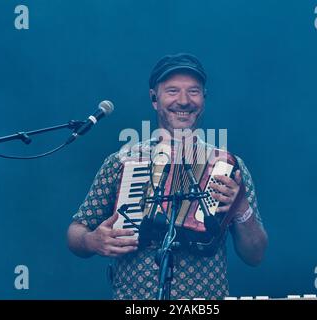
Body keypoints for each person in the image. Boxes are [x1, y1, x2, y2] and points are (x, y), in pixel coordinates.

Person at [67, 53, 268, 300]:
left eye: (193, 91)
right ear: (154, 98)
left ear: (203, 99)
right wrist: (90, 241)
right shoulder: (121, 162)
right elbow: (76, 230)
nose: (183, 101)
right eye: (172, 91)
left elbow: (255, 255)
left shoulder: (230, 167)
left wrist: (241, 206)